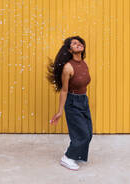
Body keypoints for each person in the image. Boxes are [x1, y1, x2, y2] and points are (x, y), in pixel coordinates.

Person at [46, 36, 93, 171]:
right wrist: (60, 111)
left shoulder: (83, 63)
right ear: (70, 50)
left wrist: (83, 101)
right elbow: (64, 90)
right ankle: (67, 158)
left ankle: (76, 154)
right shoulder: (68, 67)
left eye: (79, 42)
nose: (78, 44)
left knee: (88, 133)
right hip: (73, 102)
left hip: (84, 100)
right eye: (74, 43)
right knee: (82, 134)